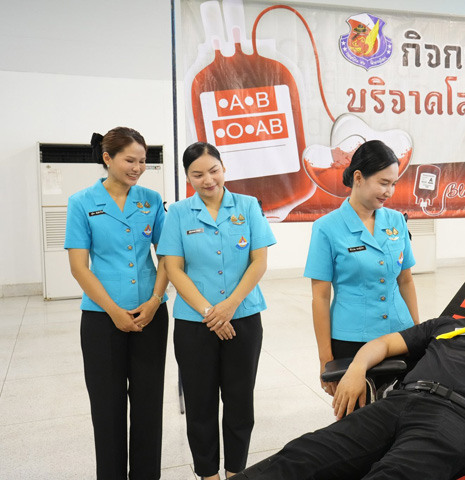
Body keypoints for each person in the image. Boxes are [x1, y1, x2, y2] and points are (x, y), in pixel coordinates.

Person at [235, 268, 465, 480]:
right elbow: (385, 344)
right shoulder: (448, 324)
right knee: (301, 456)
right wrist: (357, 368)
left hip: (452, 420)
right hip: (395, 404)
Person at [158, 142, 276, 480]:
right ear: (187, 177)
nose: (208, 179)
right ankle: (208, 474)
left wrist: (230, 305)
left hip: (243, 318)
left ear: (224, 168)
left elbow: (259, 261)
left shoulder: (248, 206)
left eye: (213, 170)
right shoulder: (178, 213)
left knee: (240, 401)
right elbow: (173, 268)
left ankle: (236, 471)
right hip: (195, 324)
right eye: (197, 174)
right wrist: (211, 312)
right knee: (200, 404)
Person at [65, 127, 169, 480]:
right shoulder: (82, 202)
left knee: (148, 405)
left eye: (143, 161)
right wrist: (113, 311)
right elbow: (79, 267)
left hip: (150, 315)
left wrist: (155, 301)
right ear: (107, 158)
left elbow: (166, 257)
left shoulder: (151, 200)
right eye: (130, 160)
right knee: (107, 408)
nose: (138, 168)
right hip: (101, 319)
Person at [304, 140, 420, 397]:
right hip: (351, 340)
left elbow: (406, 281)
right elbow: (320, 298)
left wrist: (416, 332)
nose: (389, 191)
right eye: (383, 183)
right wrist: (325, 359)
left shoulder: (396, 221)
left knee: (402, 411)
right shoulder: (327, 227)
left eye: (393, 184)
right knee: (356, 415)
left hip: (398, 334)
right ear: (358, 177)